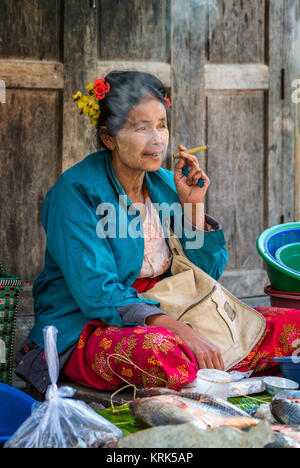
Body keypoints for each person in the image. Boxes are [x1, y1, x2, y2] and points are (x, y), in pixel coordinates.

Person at [15, 71, 300, 395]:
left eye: (161, 125)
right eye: (141, 127)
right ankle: (219, 369)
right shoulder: (76, 193)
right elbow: (97, 292)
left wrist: (193, 206)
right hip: (90, 323)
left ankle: (211, 370)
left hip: (176, 309)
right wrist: (179, 330)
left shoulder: (166, 184)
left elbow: (205, 275)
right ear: (109, 137)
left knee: (291, 325)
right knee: (165, 353)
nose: (157, 139)